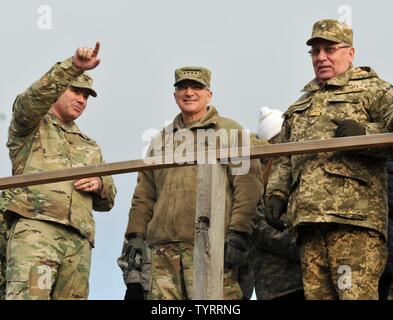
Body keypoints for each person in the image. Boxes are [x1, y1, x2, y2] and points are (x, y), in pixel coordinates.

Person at [265, 19, 393, 300]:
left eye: (330, 49)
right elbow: (286, 155)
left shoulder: (375, 90)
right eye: (315, 51)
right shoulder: (302, 103)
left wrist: (364, 135)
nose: (321, 57)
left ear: (350, 52)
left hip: (353, 222)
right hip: (309, 224)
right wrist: (275, 193)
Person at [120, 66, 263, 300]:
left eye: (197, 87)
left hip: (211, 248)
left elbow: (248, 188)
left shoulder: (229, 132)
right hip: (163, 252)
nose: (189, 92)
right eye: (182, 87)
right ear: (174, 94)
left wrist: (238, 233)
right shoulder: (160, 140)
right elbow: (144, 195)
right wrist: (135, 236)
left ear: (209, 94)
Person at [4, 42, 116, 300]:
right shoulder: (31, 126)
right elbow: (31, 100)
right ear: (58, 90)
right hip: (37, 230)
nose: (81, 99)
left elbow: (108, 200)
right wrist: (73, 67)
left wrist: (100, 184)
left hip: (78, 241)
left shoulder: (89, 145)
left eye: (86, 96)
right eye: (76, 91)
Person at [251, 107, 304, 300]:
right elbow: (259, 226)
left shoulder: (300, 171)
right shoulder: (256, 179)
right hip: (277, 286)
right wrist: (307, 248)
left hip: (309, 281)